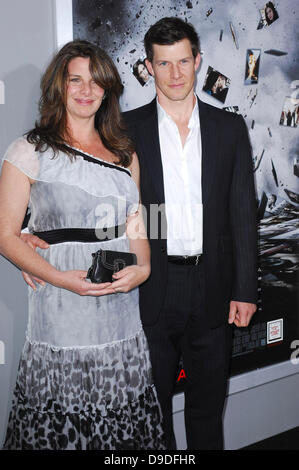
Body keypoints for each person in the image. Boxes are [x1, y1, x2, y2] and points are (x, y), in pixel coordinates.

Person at [20, 17, 258, 450]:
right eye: (163, 64)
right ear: (148, 67)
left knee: (208, 410)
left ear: (198, 61)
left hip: (213, 287)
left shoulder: (229, 129)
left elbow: (241, 214)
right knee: (153, 415)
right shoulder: (123, 132)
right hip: (149, 290)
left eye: (183, 61)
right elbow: (77, 186)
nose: (175, 74)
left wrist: (245, 290)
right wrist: (28, 232)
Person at [0, 40, 165, 450]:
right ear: (61, 85)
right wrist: (60, 278)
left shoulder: (125, 154)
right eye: (76, 80)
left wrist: (143, 269)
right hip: (61, 308)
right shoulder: (29, 150)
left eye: (96, 82)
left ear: (107, 90)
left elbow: (138, 220)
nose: (86, 90)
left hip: (120, 310)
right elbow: (4, 234)